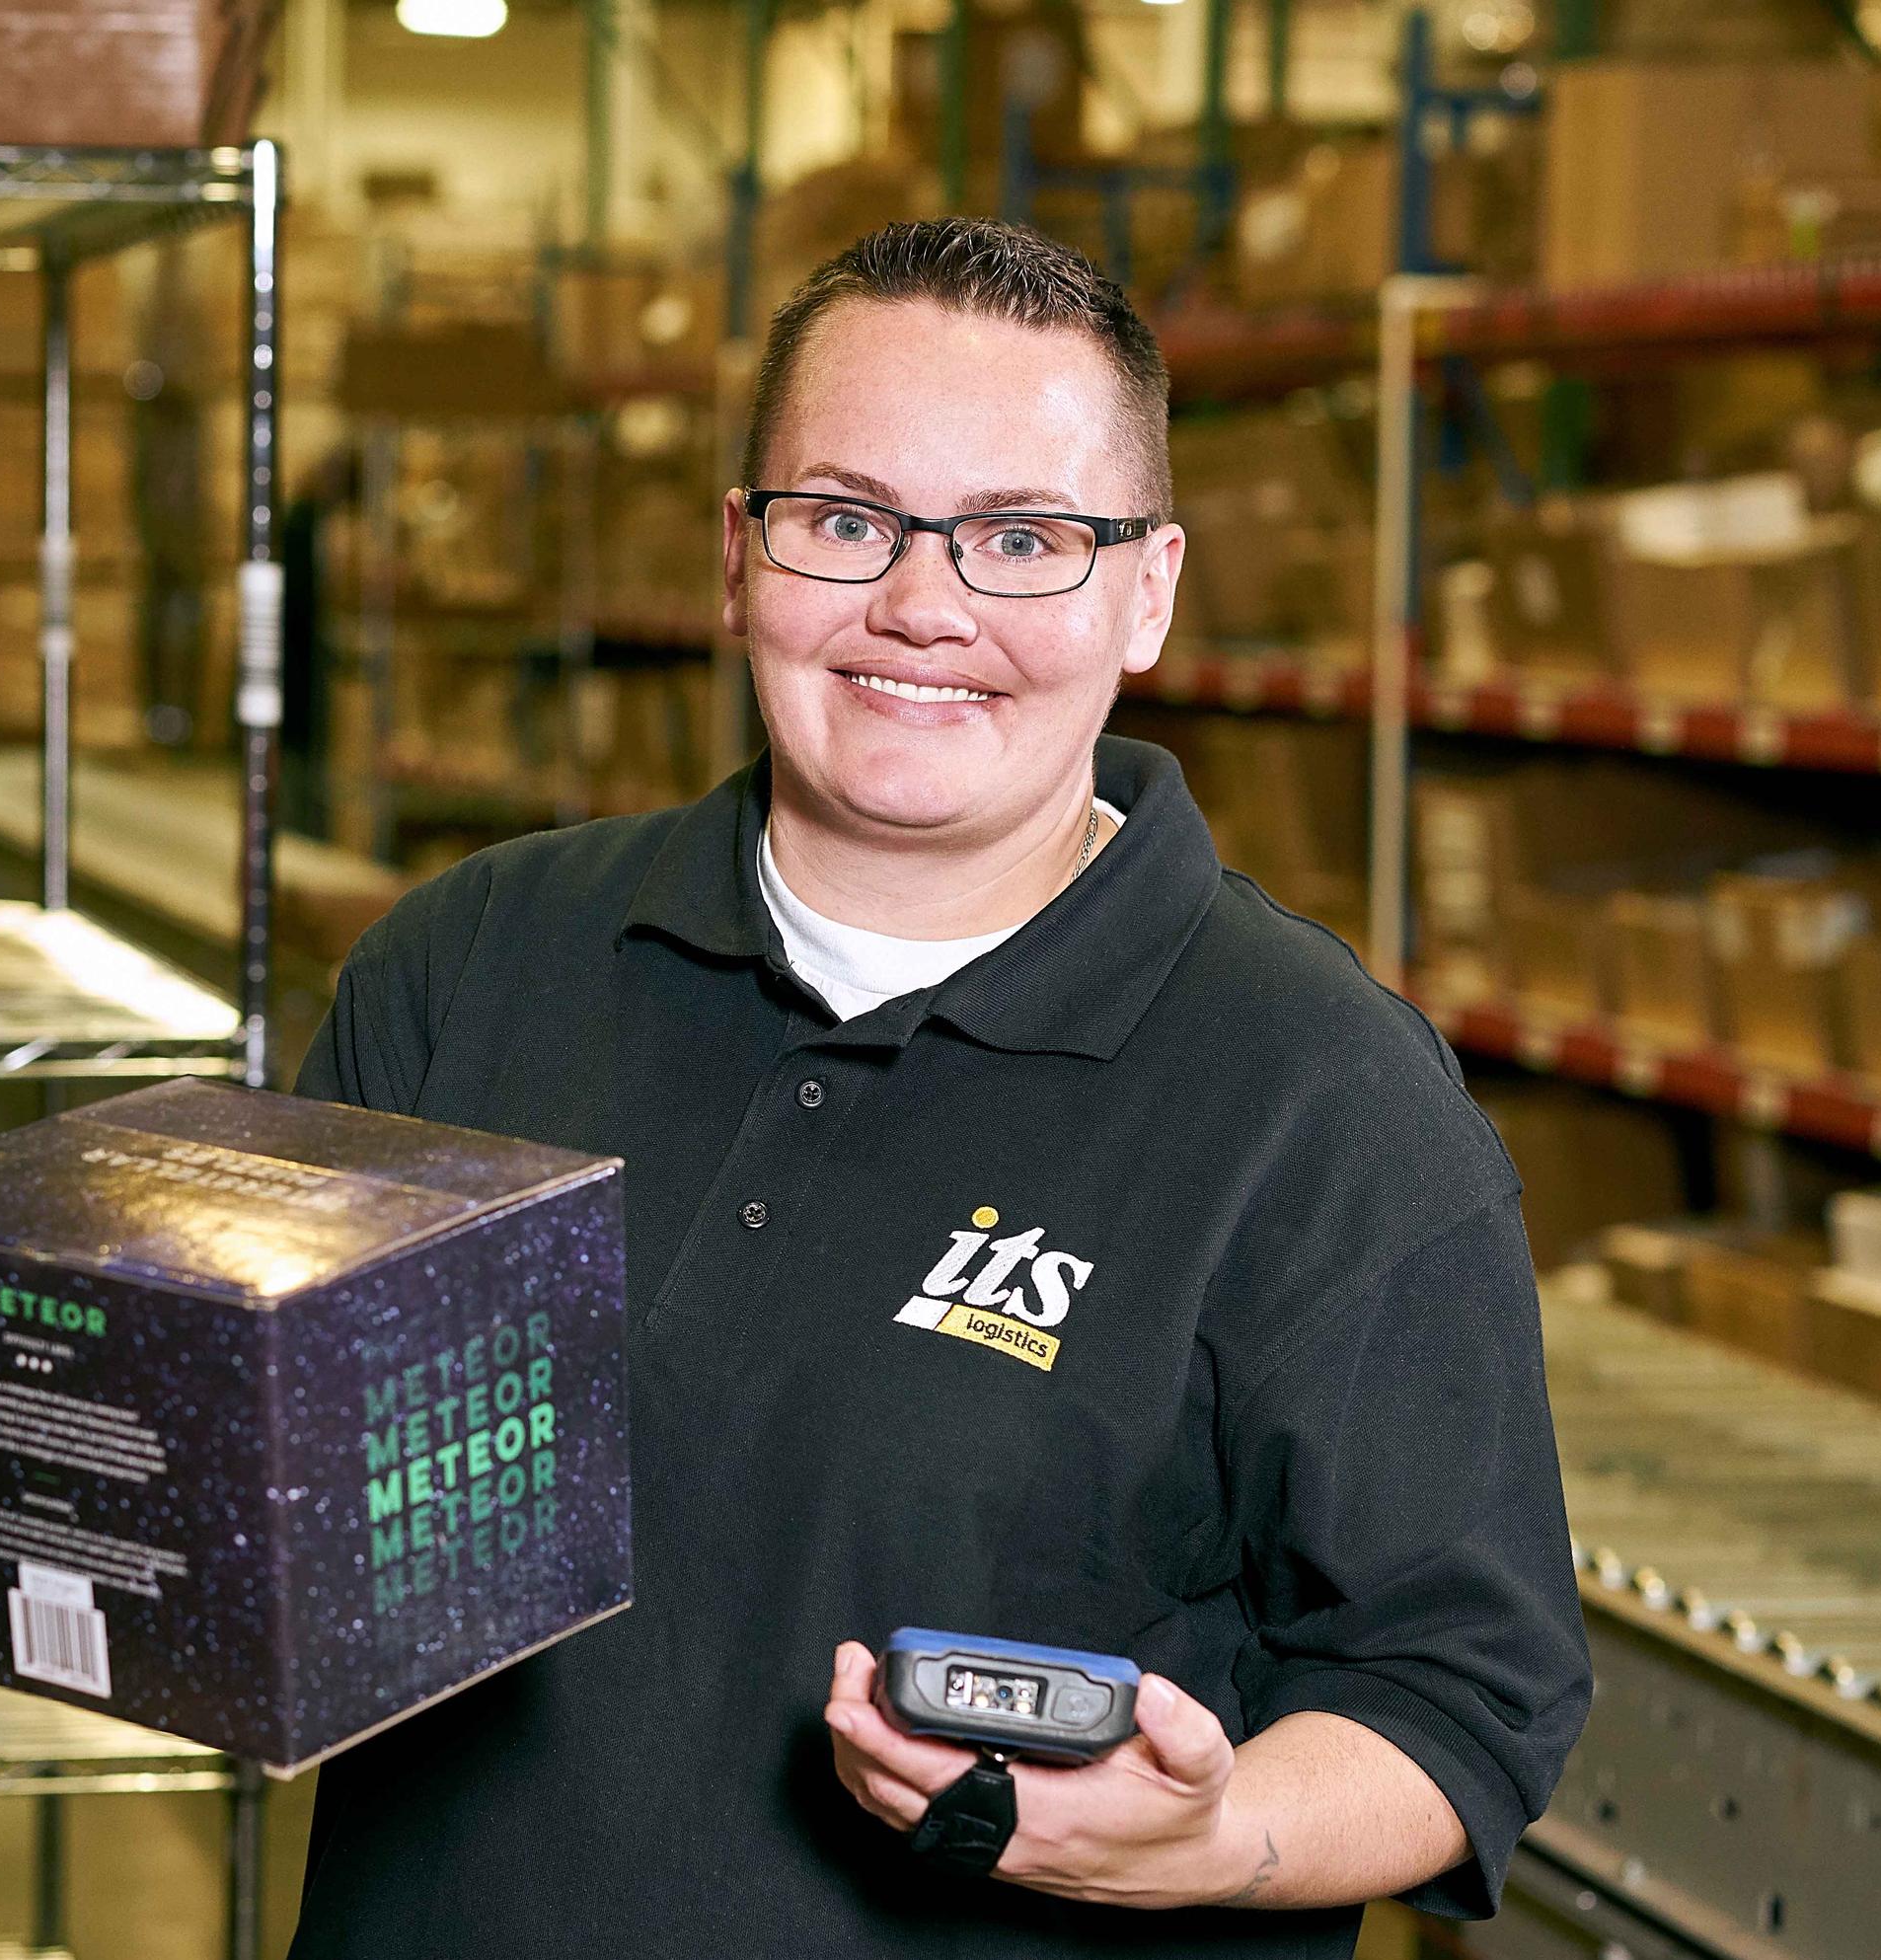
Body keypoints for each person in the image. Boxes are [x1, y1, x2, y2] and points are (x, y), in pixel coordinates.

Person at [286, 218, 1589, 1956]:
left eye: (1025, 539)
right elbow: (297, 1504)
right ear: (738, 558)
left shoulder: (1321, 1101)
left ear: (1150, 592)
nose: (922, 604)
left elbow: (1465, 1695)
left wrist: (1212, 1839)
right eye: (845, 519)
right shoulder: (470, 969)